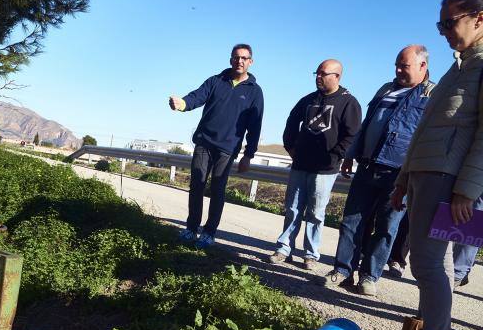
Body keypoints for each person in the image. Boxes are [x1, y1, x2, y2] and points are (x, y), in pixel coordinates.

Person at [372, 0, 483, 330]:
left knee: (430, 265)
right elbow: (423, 133)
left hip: (449, 182)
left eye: (449, 22)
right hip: (424, 175)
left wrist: (467, 190)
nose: (443, 31)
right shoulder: (459, 67)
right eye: (440, 23)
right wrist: (403, 180)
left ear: (479, 18)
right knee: (435, 266)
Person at [322, 46, 435, 295]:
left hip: (399, 173)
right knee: (352, 222)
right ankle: (342, 270)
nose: (397, 70)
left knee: (387, 227)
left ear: (422, 66)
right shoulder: (386, 88)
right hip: (368, 164)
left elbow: (430, 138)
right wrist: (352, 154)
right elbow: (367, 124)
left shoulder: (431, 95)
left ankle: (369, 276)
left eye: (403, 66)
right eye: (396, 64)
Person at [268, 59, 361, 269]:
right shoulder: (309, 100)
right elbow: (291, 121)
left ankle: (311, 254)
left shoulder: (349, 103)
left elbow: (352, 134)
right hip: (301, 165)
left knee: (316, 212)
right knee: (293, 208)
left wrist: (335, 156)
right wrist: (291, 147)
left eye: (323, 74)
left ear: (337, 76)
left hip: (325, 170)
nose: (318, 77)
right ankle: (284, 248)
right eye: (317, 73)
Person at [169, 44, 264, 248]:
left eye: (244, 58)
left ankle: (209, 233)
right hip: (204, 142)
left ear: (250, 62)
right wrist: (182, 104)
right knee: (197, 185)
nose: (240, 61)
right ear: (231, 60)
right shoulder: (215, 81)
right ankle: (191, 229)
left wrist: (249, 154)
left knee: (217, 189)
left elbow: (255, 126)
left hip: (227, 149)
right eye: (236, 57)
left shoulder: (255, 92)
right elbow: (197, 97)